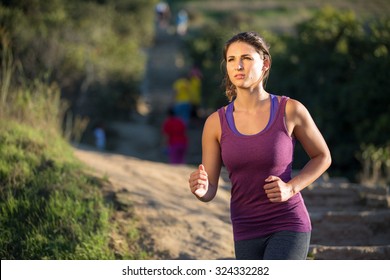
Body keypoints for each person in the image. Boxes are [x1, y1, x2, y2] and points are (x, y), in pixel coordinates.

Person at [188, 31, 331, 260]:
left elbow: (323, 156)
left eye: (246, 58)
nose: (238, 66)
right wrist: (202, 190)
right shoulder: (215, 123)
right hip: (244, 228)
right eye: (232, 59)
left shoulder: (290, 110)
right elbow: (210, 188)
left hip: (288, 222)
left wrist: (291, 188)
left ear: (265, 63)